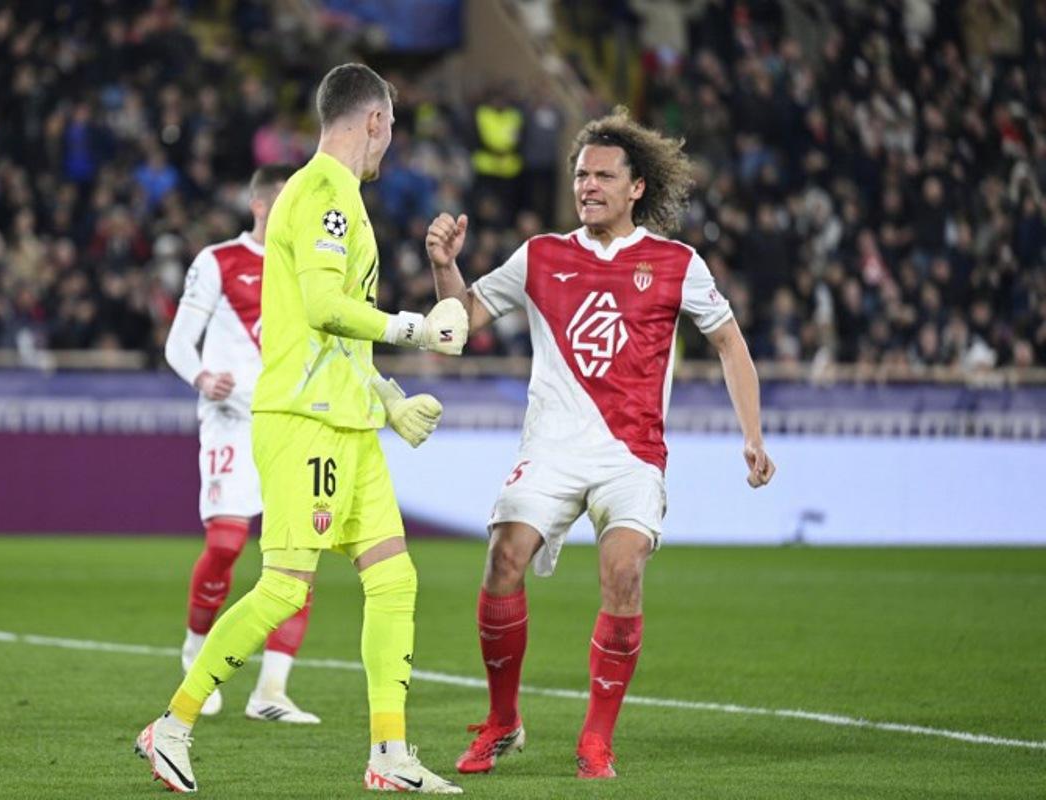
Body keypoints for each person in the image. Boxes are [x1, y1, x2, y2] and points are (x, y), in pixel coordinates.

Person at [136, 63, 468, 795]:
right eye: (390, 130)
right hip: (304, 424)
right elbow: (321, 305)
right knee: (285, 588)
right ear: (375, 121)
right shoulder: (323, 195)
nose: (389, 144)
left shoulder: (340, 197)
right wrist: (415, 327)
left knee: (394, 579)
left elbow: (339, 338)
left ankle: (389, 755)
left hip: (350, 423)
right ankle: (173, 726)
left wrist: (386, 397)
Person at [425, 108, 776, 780]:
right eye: (581, 175)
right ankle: (502, 722)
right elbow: (459, 321)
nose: (588, 186)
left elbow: (730, 343)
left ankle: (596, 740)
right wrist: (446, 267)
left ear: (635, 187)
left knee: (623, 571)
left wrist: (752, 436)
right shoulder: (541, 255)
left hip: (631, 452)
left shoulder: (677, 264)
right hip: (553, 446)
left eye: (602, 176)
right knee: (504, 556)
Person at [163, 164, 319, 723]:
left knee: (299, 558)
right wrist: (203, 379)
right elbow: (178, 343)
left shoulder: (310, 268)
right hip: (232, 419)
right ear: (259, 205)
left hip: (294, 423)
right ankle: (194, 651)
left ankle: (270, 692)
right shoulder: (218, 261)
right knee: (227, 544)